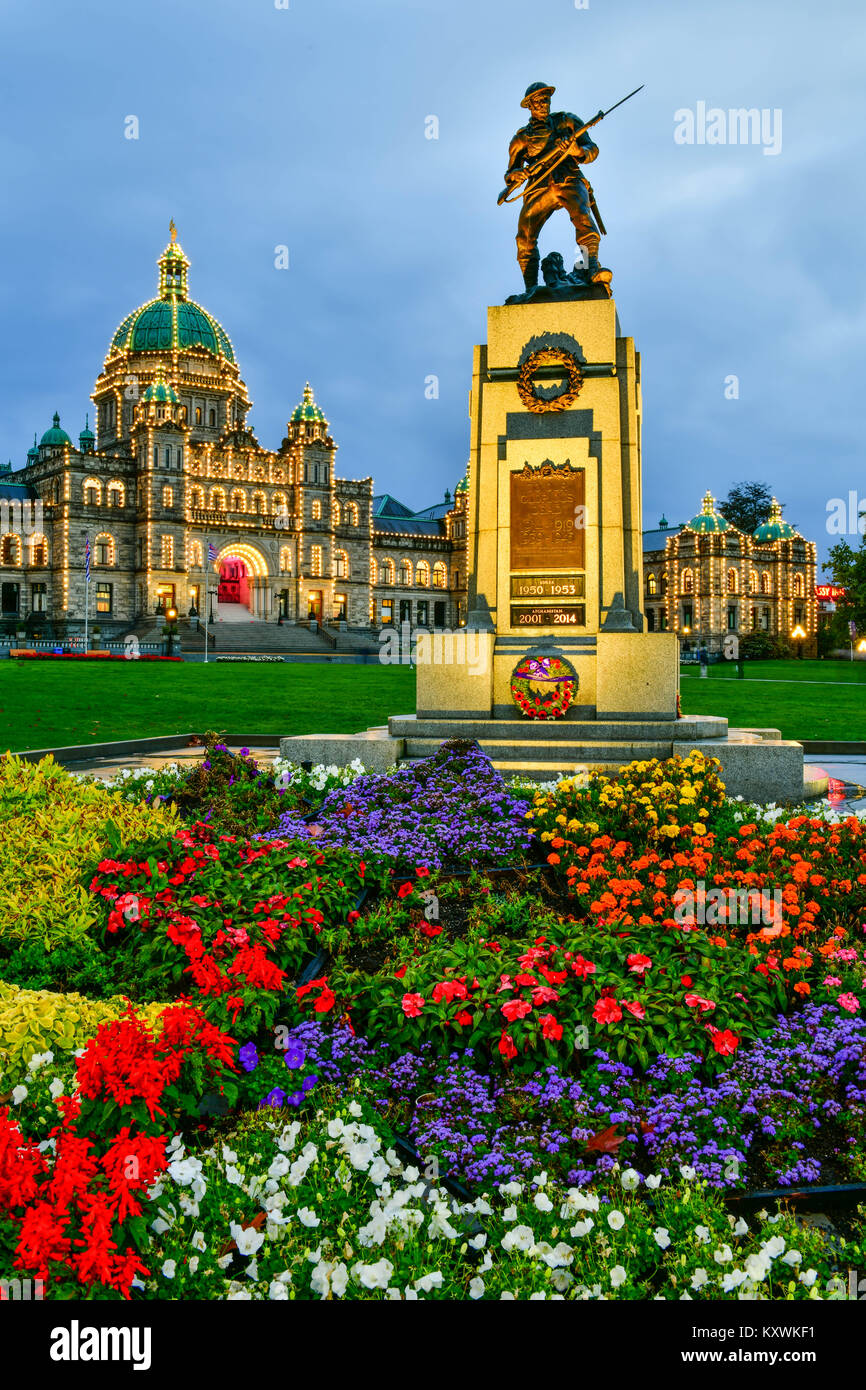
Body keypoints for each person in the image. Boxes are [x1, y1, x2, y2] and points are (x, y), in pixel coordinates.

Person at [503, 82, 611, 293]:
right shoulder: (521, 139)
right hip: (538, 187)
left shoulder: (567, 121)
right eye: (538, 101)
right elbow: (510, 174)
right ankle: (531, 288)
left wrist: (576, 149)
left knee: (583, 218)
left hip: (568, 177)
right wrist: (517, 174)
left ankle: (591, 269)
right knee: (524, 236)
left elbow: (592, 150)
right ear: (529, 105)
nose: (543, 104)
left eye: (546, 99)